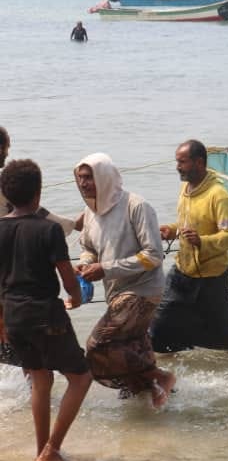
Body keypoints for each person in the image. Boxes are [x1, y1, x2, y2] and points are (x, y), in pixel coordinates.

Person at [0, 159, 92, 461]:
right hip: (45, 313)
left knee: (40, 380)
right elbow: (68, 279)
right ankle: (52, 450)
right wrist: (77, 297)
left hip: (13, 315)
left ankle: (42, 451)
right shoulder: (49, 230)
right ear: (38, 193)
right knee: (80, 377)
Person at [74, 153, 175, 407]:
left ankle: (162, 376)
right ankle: (149, 390)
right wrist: (86, 263)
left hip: (143, 290)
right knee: (130, 346)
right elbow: (88, 247)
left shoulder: (136, 205)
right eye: (80, 178)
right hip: (116, 292)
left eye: (89, 177)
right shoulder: (90, 211)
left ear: (104, 177)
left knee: (97, 345)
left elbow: (153, 255)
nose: (84, 183)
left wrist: (105, 269)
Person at [149, 140, 228, 352]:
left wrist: (202, 241)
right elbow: (185, 225)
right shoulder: (185, 188)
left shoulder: (219, 195)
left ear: (199, 162)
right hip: (183, 271)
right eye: (177, 161)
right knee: (158, 329)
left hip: (212, 278)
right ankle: (167, 375)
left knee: (224, 341)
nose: (177, 167)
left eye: (182, 162)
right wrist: (172, 230)